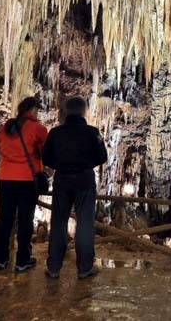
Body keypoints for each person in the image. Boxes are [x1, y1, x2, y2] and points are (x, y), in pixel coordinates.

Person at [42, 96, 108, 279]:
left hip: (62, 179)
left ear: (66, 111)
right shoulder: (92, 132)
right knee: (85, 224)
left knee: (59, 222)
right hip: (84, 180)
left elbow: (46, 157)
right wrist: (86, 164)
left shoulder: (56, 133)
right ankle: (84, 267)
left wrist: (61, 165)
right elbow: (102, 157)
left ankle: (54, 267)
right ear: (83, 111)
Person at [0, 97, 48, 272]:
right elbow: (43, 153)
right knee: (25, 220)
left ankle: (0, 259)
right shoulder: (38, 129)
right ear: (32, 110)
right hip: (26, 180)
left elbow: (0, 149)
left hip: (5, 177)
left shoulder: (5, 128)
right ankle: (22, 260)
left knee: (5, 219)